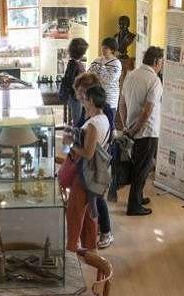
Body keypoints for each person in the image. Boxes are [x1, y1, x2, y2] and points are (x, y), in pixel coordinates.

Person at [64, 86, 110, 253]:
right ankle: (90, 249)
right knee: (91, 213)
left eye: (84, 100)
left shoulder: (93, 124)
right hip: (95, 174)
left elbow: (88, 153)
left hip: (85, 174)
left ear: (91, 101)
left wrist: (71, 143)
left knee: (74, 214)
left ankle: (72, 249)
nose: (82, 103)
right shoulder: (104, 119)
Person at [119, 46, 163, 216]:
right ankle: (134, 205)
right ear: (156, 62)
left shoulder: (131, 75)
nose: (162, 66)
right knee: (142, 168)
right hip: (147, 131)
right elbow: (147, 111)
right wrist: (136, 129)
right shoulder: (154, 81)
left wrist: (126, 127)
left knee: (138, 165)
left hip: (132, 129)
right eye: (161, 63)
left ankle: (138, 196)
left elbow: (121, 104)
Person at [73, 72, 116, 249]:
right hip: (93, 159)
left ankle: (106, 231)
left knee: (97, 196)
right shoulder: (90, 106)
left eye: (82, 91)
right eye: (79, 91)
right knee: (94, 196)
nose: (79, 95)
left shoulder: (102, 110)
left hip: (98, 159)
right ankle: (96, 229)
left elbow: (103, 135)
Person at [60, 38, 88, 127]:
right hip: (76, 97)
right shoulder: (74, 64)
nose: (84, 53)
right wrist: (78, 94)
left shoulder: (74, 63)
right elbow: (72, 82)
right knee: (78, 121)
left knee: (78, 119)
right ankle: (77, 139)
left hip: (77, 96)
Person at [88, 38, 122, 111]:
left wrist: (102, 67)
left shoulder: (116, 63)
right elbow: (89, 75)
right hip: (96, 97)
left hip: (110, 99)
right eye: (102, 47)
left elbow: (109, 80)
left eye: (106, 48)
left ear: (112, 50)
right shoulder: (96, 60)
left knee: (109, 121)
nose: (103, 50)